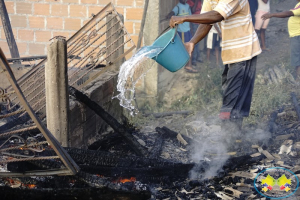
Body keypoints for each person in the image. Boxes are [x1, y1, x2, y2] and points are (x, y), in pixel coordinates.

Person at [169, 0, 262, 131]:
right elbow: (207, 20)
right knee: (230, 97)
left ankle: (228, 140)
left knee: (232, 102)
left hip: (245, 52)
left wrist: (184, 17)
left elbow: (217, 15)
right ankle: (233, 137)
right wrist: (192, 42)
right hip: (231, 53)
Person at [262, 0, 300, 81]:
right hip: (296, 34)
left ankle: (298, 80)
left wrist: (272, 14)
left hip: (297, 35)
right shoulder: (298, 4)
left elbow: (288, 13)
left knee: (297, 59)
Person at [166, 0, 197, 73]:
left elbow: (189, 20)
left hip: (188, 31)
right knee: (185, 49)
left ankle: (189, 65)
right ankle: (187, 66)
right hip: (182, 32)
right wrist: (169, 16)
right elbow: (172, 13)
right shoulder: (178, 7)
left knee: (190, 48)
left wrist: (191, 31)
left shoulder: (188, 6)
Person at [187, 0, 203, 66]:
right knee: (194, 41)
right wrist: (196, 1)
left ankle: (197, 57)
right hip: (194, 23)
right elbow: (193, 10)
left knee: (198, 41)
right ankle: (194, 59)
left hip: (199, 22)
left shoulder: (199, 1)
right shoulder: (189, 2)